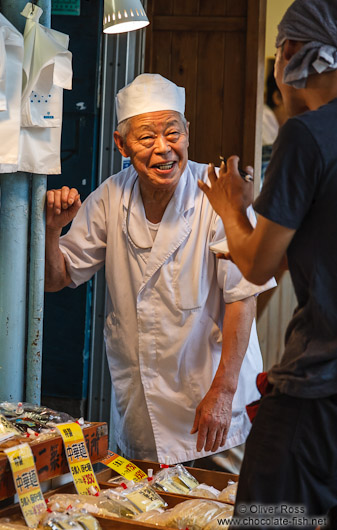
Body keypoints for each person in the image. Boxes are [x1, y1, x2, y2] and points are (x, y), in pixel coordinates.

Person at [45, 73, 274, 467]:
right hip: (145, 414)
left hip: (216, 412)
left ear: (188, 132)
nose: (164, 149)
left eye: (173, 133)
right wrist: (52, 230)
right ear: (122, 144)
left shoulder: (215, 192)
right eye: (147, 138)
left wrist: (223, 392)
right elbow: (57, 277)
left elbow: (243, 295)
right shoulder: (110, 197)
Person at [199, 0, 337, 521]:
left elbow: (257, 265)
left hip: (316, 395)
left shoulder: (306, 137)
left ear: (293, 53)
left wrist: (231, 206)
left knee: (270, 518)